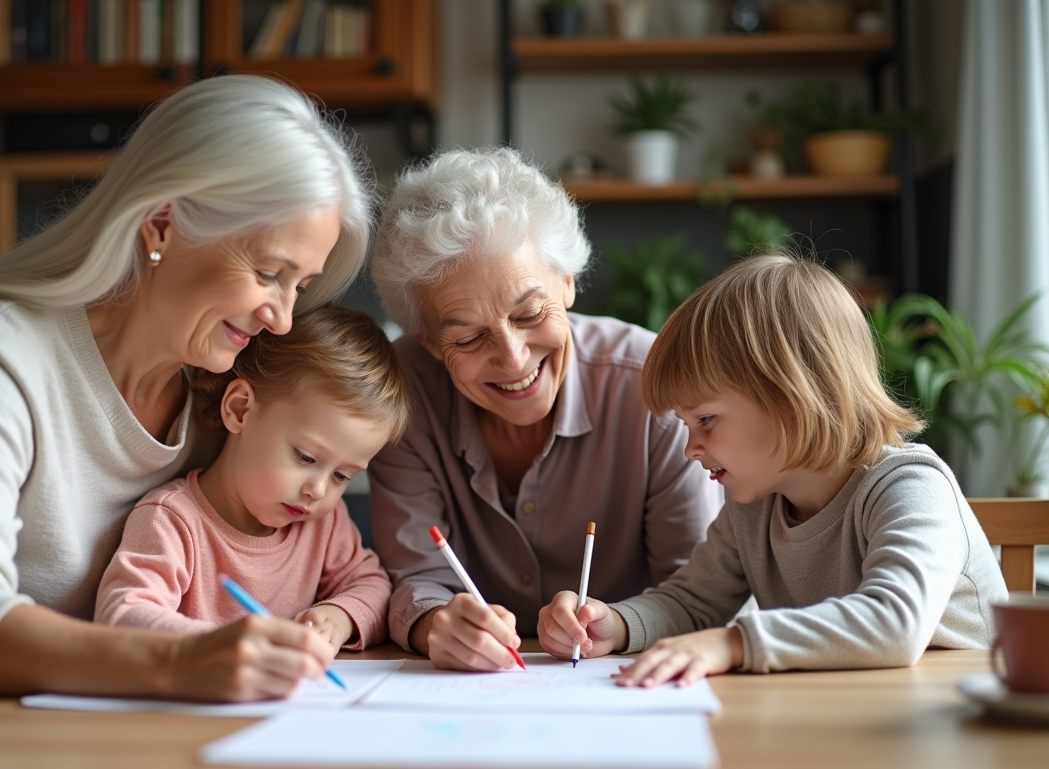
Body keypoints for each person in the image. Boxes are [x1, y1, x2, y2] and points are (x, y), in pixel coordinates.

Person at [0, 75, 378, 710]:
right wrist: (183, 658)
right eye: (269, 273)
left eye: (300, 285)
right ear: (161, 225)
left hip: (75, 728)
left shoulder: (223, 387)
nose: (283, 318)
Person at [539, 252, 1008, 686]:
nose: (690, 449)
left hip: (950, 735)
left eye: (704, 419)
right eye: (685, 425)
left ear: (792, 399)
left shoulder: (909, 486)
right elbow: (693, 603)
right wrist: (614, 625)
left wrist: (735, 641)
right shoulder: (755, 504)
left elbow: (895, 621)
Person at [368, 147, 722, 672]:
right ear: (426, 340)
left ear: (568, 282)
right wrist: (434, 622)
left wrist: (619, 621)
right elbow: (416, 580)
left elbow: (698, 592)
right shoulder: (402, 395)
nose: (512, 359)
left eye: (530, 313)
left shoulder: (654, 384)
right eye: (467, 337)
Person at [94, 306, 407, 652]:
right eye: (305, 457)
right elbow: (122, 615)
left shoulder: (323, 526)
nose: (317, 490)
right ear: (240, 409)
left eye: (341, 475)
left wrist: (340, 616)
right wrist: (217, 646)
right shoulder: (172, 521)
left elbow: (374, 585)